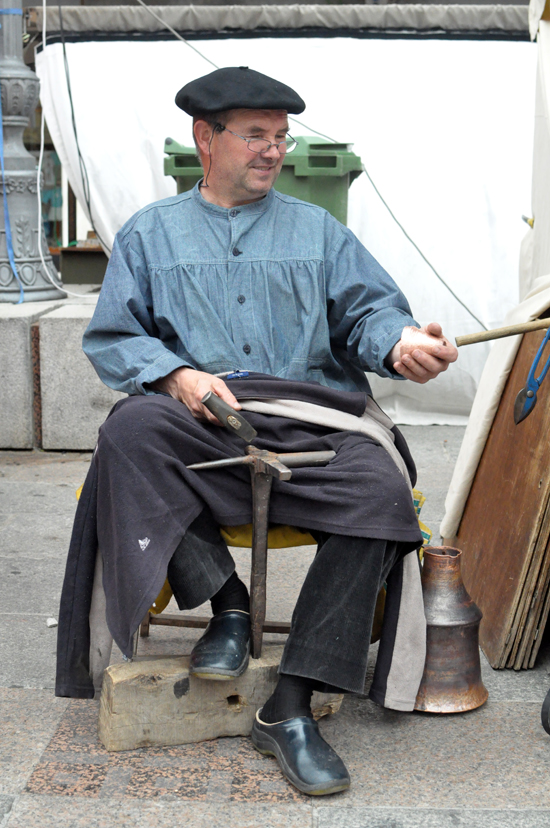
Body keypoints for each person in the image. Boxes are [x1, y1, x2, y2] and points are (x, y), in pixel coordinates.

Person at [60, 66, 457, 796]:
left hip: (308, 417)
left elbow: (370, 314)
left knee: (380, 488)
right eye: (254, 136)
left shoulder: (317, 230)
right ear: (204, 140)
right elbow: (114, 339)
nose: (272, 152)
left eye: (280, 138)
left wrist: (399, 342)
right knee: (130, 435)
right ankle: (229, 607)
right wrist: (175, 375)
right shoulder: (151, 234)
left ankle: (292, 704)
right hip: (203, 423)